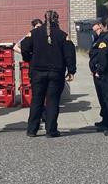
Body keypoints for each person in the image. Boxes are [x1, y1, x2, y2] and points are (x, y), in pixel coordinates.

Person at [20, 10, 76, 138]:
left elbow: (24, 46)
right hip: (56, 72)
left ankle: (32, 130)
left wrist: (28, 59)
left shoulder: (33, 33)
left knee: (36, 100)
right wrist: (71, 70)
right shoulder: (63, 35)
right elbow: (69, 54)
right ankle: (51, 130)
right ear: (57, 19)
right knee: (53, 101)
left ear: (44, 19)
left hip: (37, 71)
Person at [88, 18, 108, 131]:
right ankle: (105, 119)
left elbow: (101, 56)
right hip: (96, 72)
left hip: (101, 73)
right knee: (101, 98)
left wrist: (98, 70)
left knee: (105, 97)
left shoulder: (104, 39)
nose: (95, 31)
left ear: (100, 26)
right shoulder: (98, 38)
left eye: (96, 28)